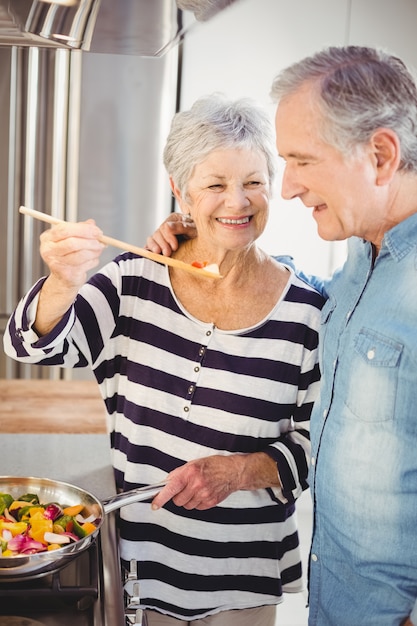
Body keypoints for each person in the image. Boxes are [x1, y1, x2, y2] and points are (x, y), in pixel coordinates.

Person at [4, 94, 324, 625]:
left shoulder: (308, 314)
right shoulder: (133, 280)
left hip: (244, 578)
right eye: (216, 185)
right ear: (181, 191)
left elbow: (317, 446)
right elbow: (31, 346)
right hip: (141, 567)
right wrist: (63, 281)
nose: (238, 202)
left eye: (253, 181)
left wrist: (242, 471)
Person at [145, 46, 417, 626]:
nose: (286, 187)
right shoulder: (357, 265)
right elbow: (291, 288)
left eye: (301, 160)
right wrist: (200, 232)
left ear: (381, 155)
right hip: (337, 604)